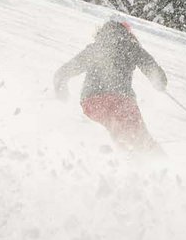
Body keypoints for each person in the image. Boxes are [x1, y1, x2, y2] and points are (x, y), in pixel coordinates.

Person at [54, 18, 169, 151]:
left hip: (92, 102)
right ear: (127, 33)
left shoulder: (95, 48)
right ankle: (153, 163)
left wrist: (61, 88)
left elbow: (64, 72)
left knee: (105, 137)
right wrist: (159, 82)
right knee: (139, 139)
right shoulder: (131, 47)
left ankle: (108, 159)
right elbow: (152, 68)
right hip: (121, 102)